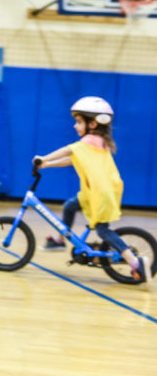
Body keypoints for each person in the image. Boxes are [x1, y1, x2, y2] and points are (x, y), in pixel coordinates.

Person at [34, 96, 151, 283]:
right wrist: (46, 165)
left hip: (102, 193)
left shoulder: (91, 139)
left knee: (103, 231)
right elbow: (72, 159)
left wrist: (44, 158)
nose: (75, 126)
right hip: (94, 192)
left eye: (79, 122)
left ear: (93, 124)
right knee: (70, 206)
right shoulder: (95, 142)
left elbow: (68, 151)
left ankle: (135, 263)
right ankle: (59, 239)